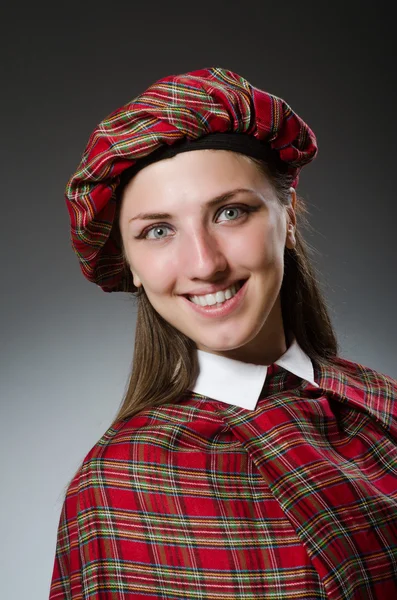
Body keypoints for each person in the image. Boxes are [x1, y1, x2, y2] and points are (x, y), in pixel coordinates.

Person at [49, 67, 397, 599]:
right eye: (158, 231)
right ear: (131, 264)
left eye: (230, 212)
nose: (204, 264)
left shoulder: (386, 407)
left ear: (289, 219)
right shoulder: (115, 487)